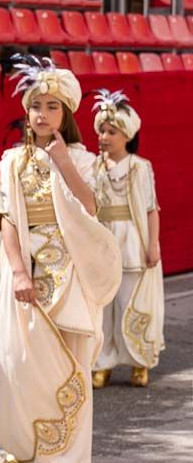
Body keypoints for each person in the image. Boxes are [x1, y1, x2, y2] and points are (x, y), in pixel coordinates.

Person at [0, 58, 121, 463]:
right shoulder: (10, 161)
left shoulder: (80, 158)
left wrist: (63, 162)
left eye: (52, 106)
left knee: (70, 365)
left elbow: (90, 207)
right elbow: (7, 219)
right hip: (26, 269)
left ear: (66, 113)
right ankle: (24, 444)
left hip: (69, 270)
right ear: (26, 112)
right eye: (36, 106)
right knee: (20, 363)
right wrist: (18, 272)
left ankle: (63, 460)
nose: (42, 114)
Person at [91, 89, 163, 389]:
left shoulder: (140, 167)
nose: (105, 137)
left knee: (131, 302)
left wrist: (152, 244)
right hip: (104, 239)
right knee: (103, 306)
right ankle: (103, 361)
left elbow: (150, 208)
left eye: (112, 132)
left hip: (131, 240)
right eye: (102, 131)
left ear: (127, 135)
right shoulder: (94, 166)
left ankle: (138, 360)